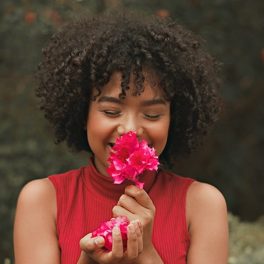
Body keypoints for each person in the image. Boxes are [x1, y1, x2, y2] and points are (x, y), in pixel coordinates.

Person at [13, 11, 228, 264]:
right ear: (83, 114)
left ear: (174, 120)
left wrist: (146, 255)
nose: (130, 129)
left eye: (152, 114)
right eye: (111, 111)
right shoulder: (42, 201)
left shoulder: (203, 204)